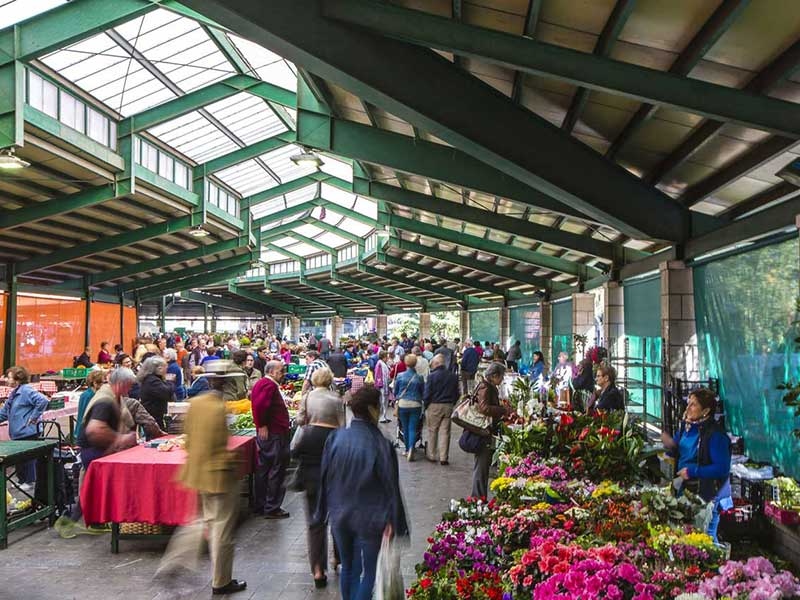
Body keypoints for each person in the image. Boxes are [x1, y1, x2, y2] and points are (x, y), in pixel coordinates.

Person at [158, 361, 247, 596]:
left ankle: (173, 561)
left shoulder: (194, 403)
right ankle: (221, 581)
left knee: (197, 521)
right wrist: (233, 460)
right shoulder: (220, 408)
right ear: (224, 382)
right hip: (218, 476)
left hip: (195, 473)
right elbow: (218, 444)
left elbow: (187, 438)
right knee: (221, 530)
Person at [314, 385, 408, 600]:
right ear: (374, 409)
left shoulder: (336, 438)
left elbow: (325, 477)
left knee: (348, 567)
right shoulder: (381, 444)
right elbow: (390, 486)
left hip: (340, 515)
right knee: (371, 573)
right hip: (371, 517)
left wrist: (321, 512)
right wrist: (395, 521)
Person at [292, 367, 344, 587]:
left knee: (315, 520)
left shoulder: (307, 397)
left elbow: (300, 420)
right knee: (337, 513)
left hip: (311, 452)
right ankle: (337, 557)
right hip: (332, 449)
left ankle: (317, 570)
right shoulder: (336, 399)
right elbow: (343, 426)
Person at [661, 388, 731, 543]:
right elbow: (679, 448)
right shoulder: (687, 426)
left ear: (706, 410)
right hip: (686, 491)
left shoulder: (716, 434)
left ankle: (720, 566)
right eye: (688, 403)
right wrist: (670, 447)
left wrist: (693, 471)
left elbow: (722, 468)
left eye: (693, 405)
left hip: (708, 495)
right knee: (688, 538)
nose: (687, 408)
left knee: (705, 539)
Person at [250, 361, 291, 519]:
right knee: (276, 468)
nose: (283, 374)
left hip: (271, 432)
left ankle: (262, 504)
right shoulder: (268, 385)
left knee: (264, 469)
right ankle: (272, 506)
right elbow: (260, 405)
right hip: (274, 433)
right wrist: (262, 425)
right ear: (272, 372)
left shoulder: (263, 384)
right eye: (281, 371)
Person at [0, 366, 50, 490]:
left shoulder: (26, 390)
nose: (6, 379)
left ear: (18, 379)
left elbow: (43, 401)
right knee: (20, 459)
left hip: (28, 431)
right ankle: (22, 480)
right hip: (17, 433)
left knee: (28, 459)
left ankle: (29, 481)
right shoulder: (14, 393)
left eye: (9, 377)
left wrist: (33, 417)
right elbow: (4, 413)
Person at [471, 362, 512, 498]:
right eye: (502, 376)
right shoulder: (486, 387)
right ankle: (478, 497)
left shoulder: (487, 385)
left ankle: (480, 496)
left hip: (485, 430)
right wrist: (503, 410)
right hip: (482, 430)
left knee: (483, 465)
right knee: (481, 465)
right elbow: (484, 408)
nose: (502, 380)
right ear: (494, 376)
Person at [423, 354, 459, 465]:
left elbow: (427, 393)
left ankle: (432, 455)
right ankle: (444, 457)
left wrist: (426, 404)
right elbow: (457, 393)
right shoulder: (453, 376)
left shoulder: (432, 376)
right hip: (448, 405)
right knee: (445, 432)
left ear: (436, 363)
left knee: (433, 430)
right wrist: (452, 402)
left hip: (434, 405)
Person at [394, 354, 425, 462]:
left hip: (403, 404)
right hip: (416, 404)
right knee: (413, 427)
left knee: (405, 427)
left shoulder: (400, 376)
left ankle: (407, 449)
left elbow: (396, 391)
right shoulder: (419, 378)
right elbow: (423, 392)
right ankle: (412, 447)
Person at [138, 356, 175, 429]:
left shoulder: (151, 379)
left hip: (154, 414)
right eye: (165, 367)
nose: (166, 369)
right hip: (154, 416)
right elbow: (167, 393)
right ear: (159, 368)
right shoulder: (152, 381)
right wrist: (170, 382)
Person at [75, 369, 106, 441]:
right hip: (86, 434)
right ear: (95, 383)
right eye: (103, 383)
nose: (104, 385)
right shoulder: (90, 396)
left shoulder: (87, 394)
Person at [374, 350, 391, 423]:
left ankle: (384, 416)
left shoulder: (380, 363)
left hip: (382, 385)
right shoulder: (381, 365)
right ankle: (382, 417)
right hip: (383, 385)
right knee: (383, 401)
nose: (387, 358)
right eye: (386, 357)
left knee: (383, 401)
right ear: (383, 357)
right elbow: (383, 376)